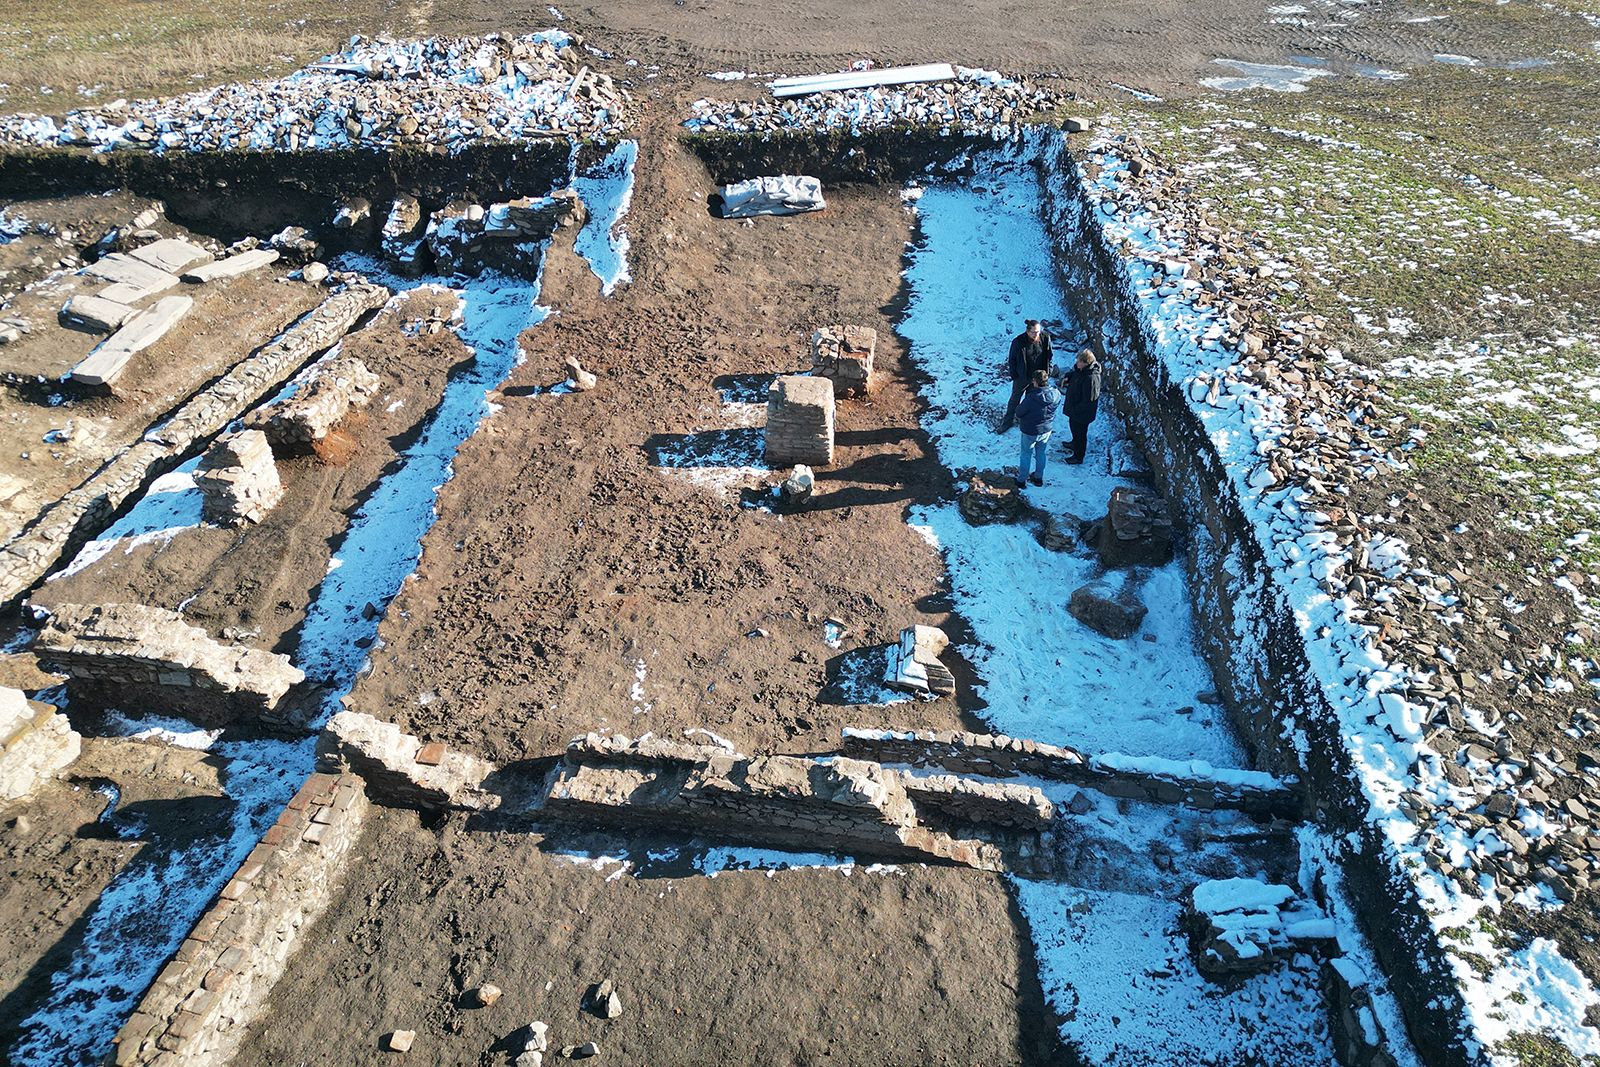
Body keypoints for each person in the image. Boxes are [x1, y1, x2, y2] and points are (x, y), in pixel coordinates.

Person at [998, 319, 1054, 433]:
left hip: (1038, 377)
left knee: (1032, 400)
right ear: (1027, 331)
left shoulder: (1045, 338)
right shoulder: (1018, 342)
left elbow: (1049, 356)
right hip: (1022, 377)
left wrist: (1048, 371)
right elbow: (1012, 360)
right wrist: (1015, 376)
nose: (1036, 334)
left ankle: (1026, 420)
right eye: (1034, 332)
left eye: (1038, 331)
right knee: (1015, 399)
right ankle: (1007, 422)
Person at [1015, 369, 1062, 488]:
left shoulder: (1031, 398)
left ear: (1035, 381)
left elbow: (1019, 412)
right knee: (1041, 453)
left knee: (1026, 454)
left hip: (1030, 431)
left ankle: (1021, 480)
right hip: (1046, 430)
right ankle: (1038, 478)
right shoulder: (1056, 394)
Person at [1060, 346, 1102, 465]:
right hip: (1076, 410)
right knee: (1074, 429)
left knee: (1080, 434)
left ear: (1086, 363)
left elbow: (1089, 400)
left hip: (1082, 413)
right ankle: (1074, 444)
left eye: (1079, 361)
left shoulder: (1091, 378)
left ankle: (1078, 457)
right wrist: (1068, 377)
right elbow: (1075, 374)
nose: (1076, 363)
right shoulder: (1083, 371)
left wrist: (1075, 409)